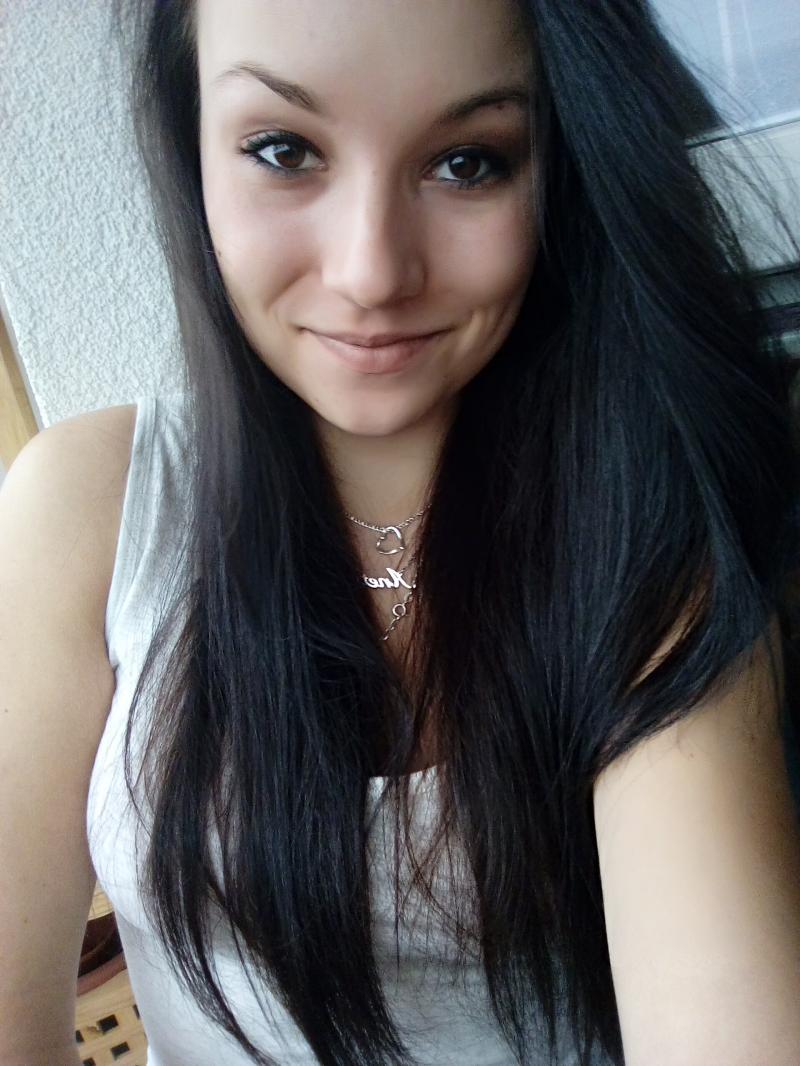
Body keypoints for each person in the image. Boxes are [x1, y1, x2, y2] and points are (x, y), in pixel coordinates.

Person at [2, 0, 800, 1063]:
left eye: (468, 163)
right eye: (283, 150)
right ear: (190, 144)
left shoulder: (646, 534)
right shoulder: (88, 510)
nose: (371, 270)